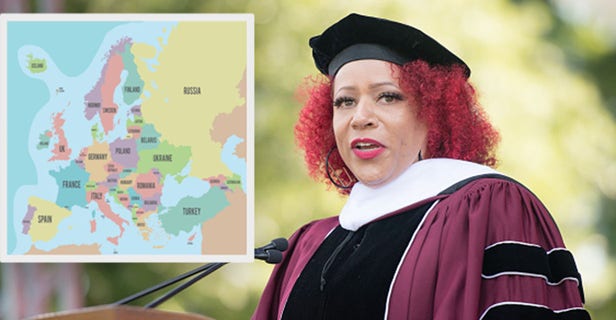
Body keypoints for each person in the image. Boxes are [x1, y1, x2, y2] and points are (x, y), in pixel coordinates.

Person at [253, 13, 590, 319]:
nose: (360, 118)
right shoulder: (307, 245)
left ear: (434, 113)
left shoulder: (489, 209)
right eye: (345, 101)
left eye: (388, 97)